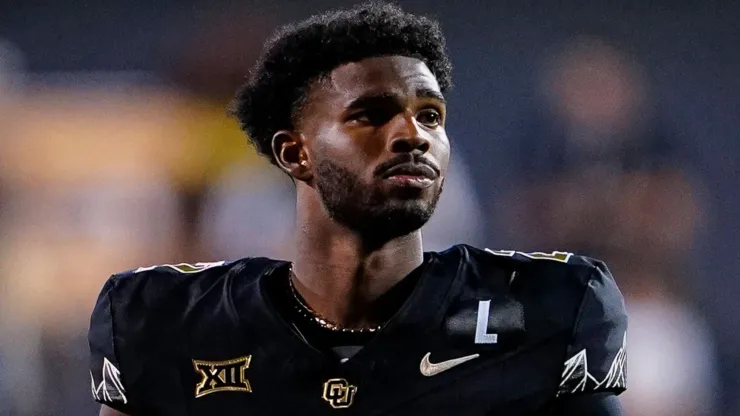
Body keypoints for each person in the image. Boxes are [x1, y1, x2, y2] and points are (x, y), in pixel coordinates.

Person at [88, 3, 627, 415]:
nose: (412, 135)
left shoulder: (549, 311)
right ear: (294, 152)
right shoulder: (159, 320)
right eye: (368, 115)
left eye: (431, 115)